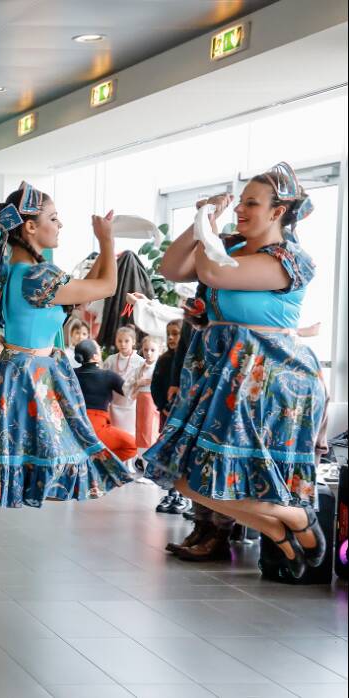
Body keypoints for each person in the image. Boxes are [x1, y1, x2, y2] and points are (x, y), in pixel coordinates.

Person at [145, 162, 327, 578]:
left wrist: (206, 222)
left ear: (278, 211)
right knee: (185, 478)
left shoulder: (291, 258)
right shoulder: (226, 244)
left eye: (252, 203)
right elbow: (172, 269)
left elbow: (213, 272)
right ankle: (285, 526)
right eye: (240, 201)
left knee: (205, 477)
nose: (241, 209)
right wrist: (202, 225)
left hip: (268, 378)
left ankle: (295, 520)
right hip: (219, 376)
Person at [0, 182, 133, 528]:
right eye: (54, 218)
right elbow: (106, 287)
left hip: (23, 370)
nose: (59, 225)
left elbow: (86, 290)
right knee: (55, 456)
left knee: (35, 456)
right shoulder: (38, 276)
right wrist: (106, 240)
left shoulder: (18, 270)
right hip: (28, 375)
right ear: (30, 227)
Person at [150, 319, 191, 515]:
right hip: (168, 414)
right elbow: (156, 386)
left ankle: (184, 495)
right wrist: (163, 406)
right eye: (169, 335)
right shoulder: (164, 359)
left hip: (186, 416)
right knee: (169, 454)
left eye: (176, 334)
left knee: (184, 454)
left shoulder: (189, 361)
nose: (172, 338)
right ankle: (171, 492)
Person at [73, 340, 138, 462]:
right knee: (132, 445)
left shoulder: (71, 374)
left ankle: (91, 463)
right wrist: (141, 381)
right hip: (97, 428)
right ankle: (98, 464)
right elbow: (129, 393)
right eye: (99, 350)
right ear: (95, 356)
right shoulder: (108, 376)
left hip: (75, 426)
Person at [104, 325, 144, 437]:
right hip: (114, 404)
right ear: (115, 342)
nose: (123, 344)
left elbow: (143, 383)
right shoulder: (110, 360)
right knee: (115, 434)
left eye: (127, 341)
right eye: (119, 341)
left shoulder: (140, 362)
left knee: (130, 435)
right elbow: (104, 380)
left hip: (131, 404)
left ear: (133, 342)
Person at [133, 335, 162, 452]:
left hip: (152, 399)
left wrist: (145, 381)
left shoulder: (159, 366)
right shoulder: (140, 366)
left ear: (159, 350)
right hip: (141, 399)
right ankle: (140, 455)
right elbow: (134, 382)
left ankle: (149, 453)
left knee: (151, 428)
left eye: (152, 350)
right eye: (146, 350)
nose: (148, 353)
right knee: (141, 428)